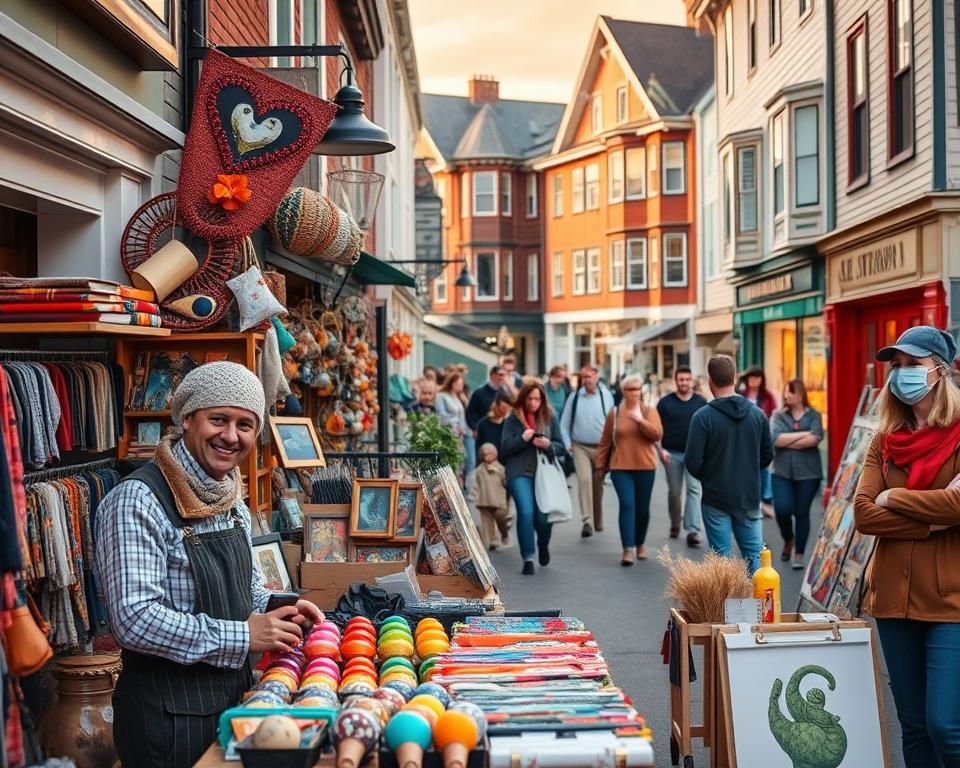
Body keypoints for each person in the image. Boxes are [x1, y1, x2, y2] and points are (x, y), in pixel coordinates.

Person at [95, 362, 322, 768]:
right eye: (218, 419)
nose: (231, 436)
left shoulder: (231, 495)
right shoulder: (138, 500)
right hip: (165, 719)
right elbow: (134, 619)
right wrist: (244, 635)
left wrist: (281, 608)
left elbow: (247, 586)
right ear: (187, 419)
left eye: (245, 424)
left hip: (229, 703)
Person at [853, 326, 960, 768]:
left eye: (912, 365)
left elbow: (958, 506)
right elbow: (862, 514)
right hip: (892, 602)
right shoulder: (883, 440)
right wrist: (932, 521)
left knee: (945, 727)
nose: (901, 374)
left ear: (939, 371)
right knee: (913, 728)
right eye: (896, 366)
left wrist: (894, 498)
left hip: (950, 601)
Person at [684, 355, 774, 574]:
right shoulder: (757, 415)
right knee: (754, 556)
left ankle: (728, 608)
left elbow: (692, 461)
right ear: (734, 378)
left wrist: (711, 475)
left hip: (716, 497)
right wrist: (749, 470)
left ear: (710, 381)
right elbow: (767, 455)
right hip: (749, 495)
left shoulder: (702, 417)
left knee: (721, 559)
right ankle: (759, 607)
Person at [595, 374, 663, 565]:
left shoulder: (649, 411)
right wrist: (600, 465)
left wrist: (641, 421)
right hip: (620, 467)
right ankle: (627, 549)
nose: (634, 393)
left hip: (645, 467)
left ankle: (640, 544)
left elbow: (657, 435)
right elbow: (605, 441)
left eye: (637, 389)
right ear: (623, 391)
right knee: (627, 505)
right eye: (630, 389)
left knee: (642, 509)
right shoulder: (615, 413)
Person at [500, 381, 565, 575]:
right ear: (523, 399)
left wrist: (547, 444)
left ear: (542, 400)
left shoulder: (550, 417)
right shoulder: (513, 419)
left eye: (537, 399)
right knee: (526, 512)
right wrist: (523, 439)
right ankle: (528, 557)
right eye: (530, 398)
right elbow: (504, 449)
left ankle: (543, 544)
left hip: (544, 473)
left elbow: (561, 446)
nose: (533, 402)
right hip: (519, 472)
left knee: (543, 516)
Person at [770, 379, 824, 570]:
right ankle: (788, 539)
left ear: (800, 394)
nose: (786, 396)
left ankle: (799, 553)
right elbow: (775, 439)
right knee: (782, 510)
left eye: (790, 393)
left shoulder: (814, 415)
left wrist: (788, 440)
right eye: (785, 392)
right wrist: (803, 435)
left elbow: (816, 437)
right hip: (782, 471)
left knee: (802, 513)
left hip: (808, 473)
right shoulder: (778, 415)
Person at [560, 364, 615, 537]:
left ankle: (597, 520)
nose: (586, 380)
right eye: (583, 377)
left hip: (601, 448)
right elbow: (564, 424)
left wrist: (612, 448)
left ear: (597, 377)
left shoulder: (606, 395)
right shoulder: (574, 397)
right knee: (584, 480)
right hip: (580, 447)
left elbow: (612, 422)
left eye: (589, 376)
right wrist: (568, 443)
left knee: (597, 485)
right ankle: (587, 521)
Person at [656, 366, 707, 546]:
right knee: (675, 492)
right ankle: (675, 522)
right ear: (675, 380)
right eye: (681, 379)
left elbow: (706, 430)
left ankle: (692, 530)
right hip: (672, 454)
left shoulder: (701, 402)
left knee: (694, 490)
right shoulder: (665, 403)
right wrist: (660, 450)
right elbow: (657, 429)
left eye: (687, 379)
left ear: (691, 380)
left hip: (694, 455)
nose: (684, 382)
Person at [739, 365, 777, 514]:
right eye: (751, 376)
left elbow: (773, 416)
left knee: (763, 468)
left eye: (757, 377)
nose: (754, 380)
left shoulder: (768, 396)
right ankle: (748, 498)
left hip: (762, 437)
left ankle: (763, 499)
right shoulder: (740, 395)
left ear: (762, 379)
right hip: (743, 439)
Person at [470, 442, 510, 550]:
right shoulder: (479, 470)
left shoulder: (500, 468)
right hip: (484, 500)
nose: (488, 457)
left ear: (495, 454)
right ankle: (492, 541)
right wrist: (473, 495)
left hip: (498, 500)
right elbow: (475, 483)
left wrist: (498, 472)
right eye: (485, 454)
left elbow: (506, 481)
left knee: (499, 518)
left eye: (490, 454)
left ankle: (503, 534)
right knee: (487, 522)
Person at [436, 372, 472, 483]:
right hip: (449, 431)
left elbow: (464, 413)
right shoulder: (441, 396)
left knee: (461, 460)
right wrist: (454, 424)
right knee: (450, 459)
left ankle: (460, 485)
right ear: (452, 383)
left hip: (460, 433)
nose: (461, 386)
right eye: (459, 383)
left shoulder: (457, 397)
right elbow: (441, 414)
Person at [466, 365, 508, 433]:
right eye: (500, 375)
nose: (503, 378)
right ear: (492, 375)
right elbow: (471, 413)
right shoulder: (478, 393)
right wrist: (476, 428)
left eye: (505, 375)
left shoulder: (505, 394)